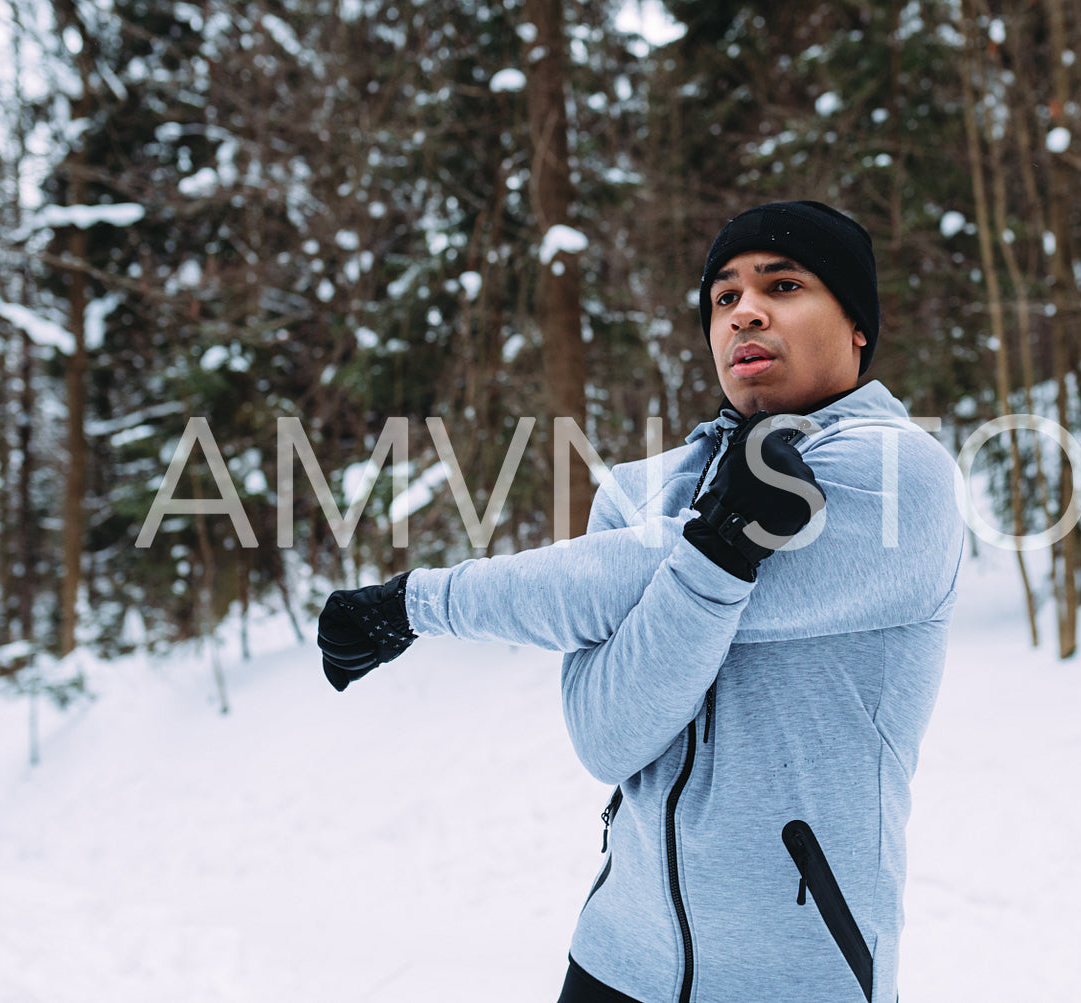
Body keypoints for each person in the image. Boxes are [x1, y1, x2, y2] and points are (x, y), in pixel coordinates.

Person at [317, 201, 963, 1003]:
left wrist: (416, 600)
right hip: (615, 961)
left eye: (783, 284)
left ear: (858, 325)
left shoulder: (901, 478)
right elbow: (607, 736)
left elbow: (622, 576)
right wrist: (721, 549)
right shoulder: (640, 487)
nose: (745, 312)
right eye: (722, 298)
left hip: (797, 977)